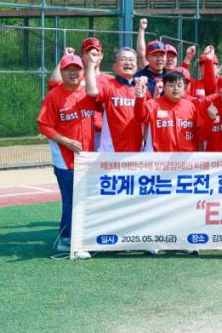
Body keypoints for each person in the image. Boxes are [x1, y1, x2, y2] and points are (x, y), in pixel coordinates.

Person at [37, 55, 96, 253]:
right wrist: (66, 141)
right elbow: (44, 126)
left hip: (88, 158)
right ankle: (71, 241)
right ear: (61, 73)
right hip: (65, 159)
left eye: (77, 69)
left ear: (83, 72)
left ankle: (67, 238)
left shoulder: (89, 93)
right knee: (72, 200)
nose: (73, 73)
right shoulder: (54, 95)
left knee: (82, 200)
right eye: (68, 69)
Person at [85, 47, 146, 152]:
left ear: (136, 66)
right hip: (111, 151)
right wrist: (91, 63)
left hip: (137, 152)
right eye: (123, 59)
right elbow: (91, 91)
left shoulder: (142, 87)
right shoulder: (108, 86)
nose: (128, 62)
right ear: (114, 66)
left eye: (131, 60)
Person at [134, 70, 201, 152]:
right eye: (171, 85)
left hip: (186, 157)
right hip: (160, 157)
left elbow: (198, 134)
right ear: (164, 87)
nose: (176, 88)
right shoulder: (153, 105)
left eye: (179, 86)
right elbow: (140, 117)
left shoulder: (191, 107)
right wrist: (140, 99)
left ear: (184, 88)